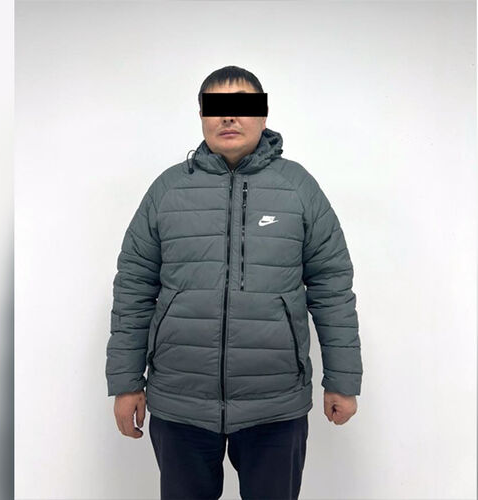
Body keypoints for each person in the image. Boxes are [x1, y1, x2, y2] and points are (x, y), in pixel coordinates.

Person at [106, 65, 363, 499]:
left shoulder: (298, 189)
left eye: (241, 106)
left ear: (263, 114)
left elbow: (332, 288)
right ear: (202, 116)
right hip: (180, 403)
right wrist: (127, 382)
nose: (228, 117)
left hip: (274, 405)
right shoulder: (168, 191)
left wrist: (343, 380)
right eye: (216, 107)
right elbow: (134, 288)